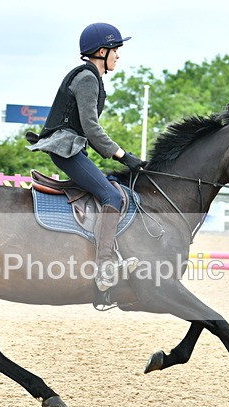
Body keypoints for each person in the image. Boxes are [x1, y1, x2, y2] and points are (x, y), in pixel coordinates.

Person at [28, 22, 142, 292]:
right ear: (102, 51)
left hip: (70, 147)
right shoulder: (88, 78)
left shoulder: (91, 77)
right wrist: (123, 155)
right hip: (66, 149)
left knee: (111, 185)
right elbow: (91, 127)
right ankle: (105, 267)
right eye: (116, 50)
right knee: (112, 196)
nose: (118, 56)